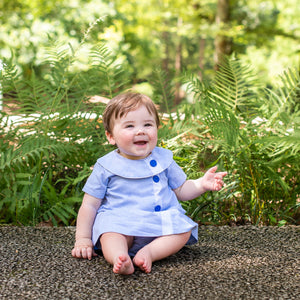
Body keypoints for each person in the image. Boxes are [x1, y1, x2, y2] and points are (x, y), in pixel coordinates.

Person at [71, 92, 227, 275]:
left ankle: (149, 253)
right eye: (129, 126)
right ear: (111, 136)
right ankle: (120, 258)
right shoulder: (106, 166)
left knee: (183, 231)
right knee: (109, 236)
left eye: (148, 124)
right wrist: (82, 239)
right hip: (120, 222)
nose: (141, 131)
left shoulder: (164, 159)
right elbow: (89, 205)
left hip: (157, 223)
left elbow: (182, 190)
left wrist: (202, 184)